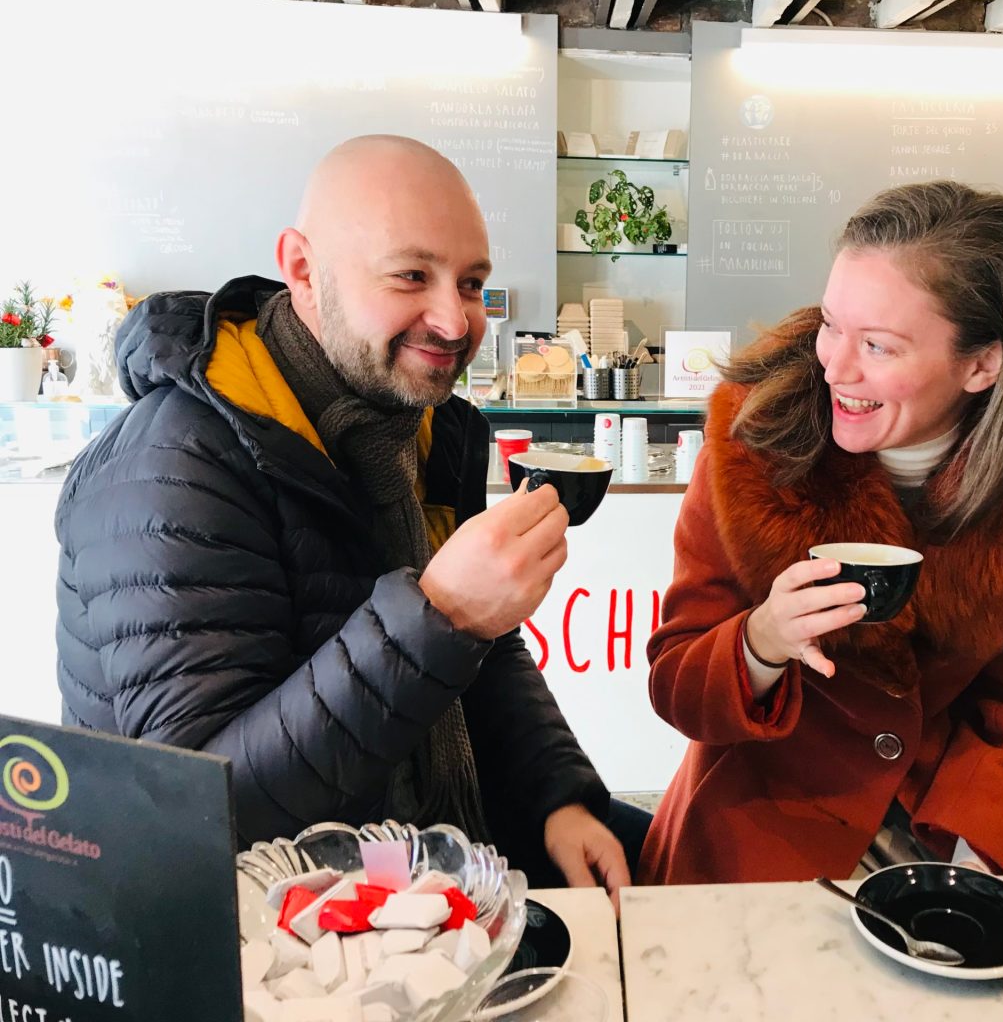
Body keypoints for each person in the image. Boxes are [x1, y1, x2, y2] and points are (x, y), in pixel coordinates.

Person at [54, 135, 644, 904]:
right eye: (410, 275)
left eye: (470, 283)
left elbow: (480, 654)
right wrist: (441, 614)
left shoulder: (417, 424)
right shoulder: (178, 464)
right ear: (302, 269)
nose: (455, 321)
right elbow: (202, 809)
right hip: (261, 926)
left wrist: (556, 796)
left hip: (424, 858)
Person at [639, 180, 1003, 885]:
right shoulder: (753, 446)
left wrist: (962, 867)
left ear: (982, 364)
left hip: (956, 824)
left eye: (879, 345)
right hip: (763, 825)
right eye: (830, 325)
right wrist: (761, 642)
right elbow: (676, 686)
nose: (833, 365)